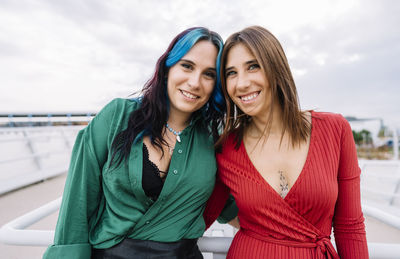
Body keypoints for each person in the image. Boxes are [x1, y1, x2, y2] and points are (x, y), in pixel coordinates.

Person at [43, 27, 236, 259]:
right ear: (168, 67)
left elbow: (235, 203)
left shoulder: (216, 138)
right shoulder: (116, 117)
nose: (195, 82)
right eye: (187, 66)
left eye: (209, 74)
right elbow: (78, 203)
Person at [204, 26, 369, 258]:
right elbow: (202, 210)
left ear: (276, 68)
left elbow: (349, 226)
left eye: (253, 66)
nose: (241, 84)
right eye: (231, 73)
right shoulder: (226, 148)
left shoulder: (335, 130)